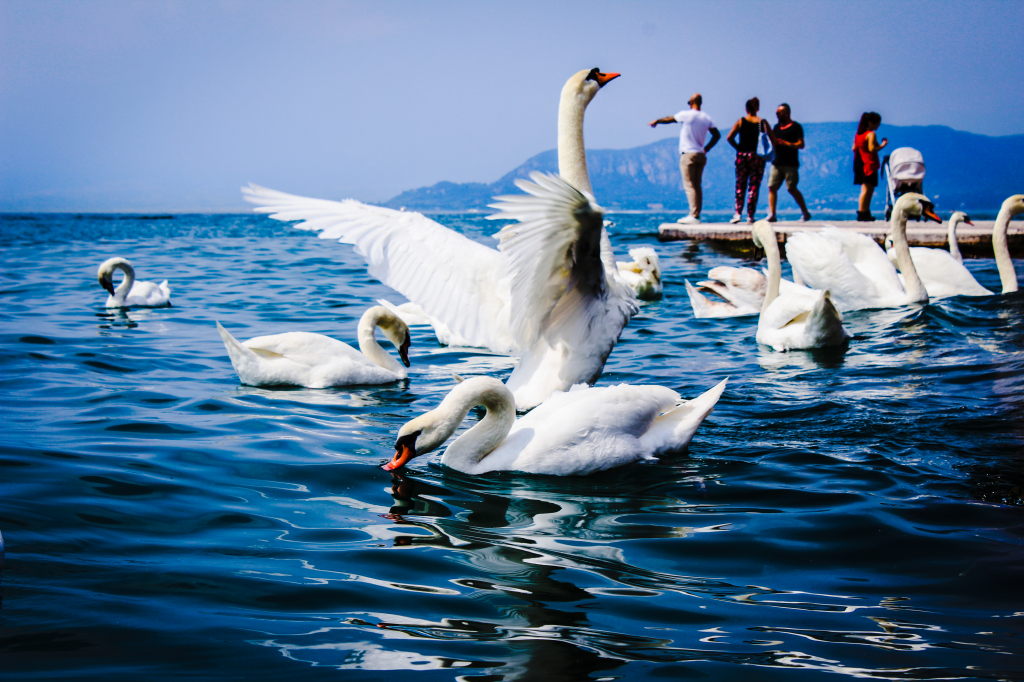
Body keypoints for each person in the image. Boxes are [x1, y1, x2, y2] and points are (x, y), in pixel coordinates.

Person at [649, 93, 721, 224]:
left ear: (691, 102)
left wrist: (657, 121)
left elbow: (669, 119)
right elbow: (717, 135)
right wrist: (707, 148)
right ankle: (697, 214)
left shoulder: (687, 115)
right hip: (701, 154)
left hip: (688, 153)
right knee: (697, 186)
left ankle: (693, 215)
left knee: (689, 185)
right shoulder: (707, 118)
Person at [726, 97, 774, 224]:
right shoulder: (762, 122)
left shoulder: (741, 121)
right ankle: (750, 216)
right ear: (757, 108)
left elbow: (729, 137)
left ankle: (737, 213)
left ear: (746, 108)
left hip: (742, 156)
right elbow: (772, 139)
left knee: (740, 185)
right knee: (754, 187)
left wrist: (739, 148)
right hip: (757, 157)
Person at [766, 103, 812, 222]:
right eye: (776, 113)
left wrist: (786, 143)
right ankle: (772, 214)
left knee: (791, 188)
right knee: (772, 187)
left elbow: (801, 144)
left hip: (790, 163)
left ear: (787, 112)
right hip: (777, 162)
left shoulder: (796, 127)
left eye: (780, 112)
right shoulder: (776, 127)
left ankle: (805, 212)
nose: (777, 115)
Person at [853, 111, 888, 221]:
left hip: (859, 164)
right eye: (877, 123)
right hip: (869, 164)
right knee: (867, 190)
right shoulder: (871, 134)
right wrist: (883, 145)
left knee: (866, 189)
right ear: (871, 123)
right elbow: (872, 148)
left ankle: (864, 212)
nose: (878, 126)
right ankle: (863, 212)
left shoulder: (859, 135)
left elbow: (854, 148)